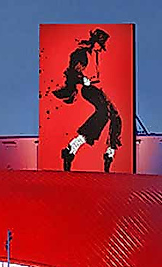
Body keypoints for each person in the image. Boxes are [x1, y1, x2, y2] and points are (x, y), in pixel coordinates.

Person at [51, 28, 123, 171]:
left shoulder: (96, 54)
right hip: (88, 89)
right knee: (103, 112)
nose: (102, 47)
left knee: (115, 116)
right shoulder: (83, 53)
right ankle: (73, 146)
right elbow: (72, 71)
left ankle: (110, 151)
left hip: (98, 89)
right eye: (101, 44)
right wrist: (83, 79)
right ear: (95, 42)